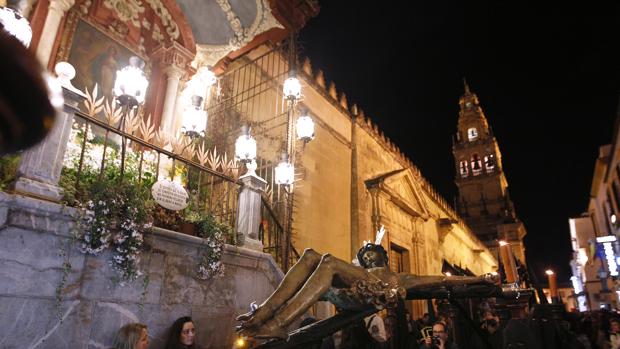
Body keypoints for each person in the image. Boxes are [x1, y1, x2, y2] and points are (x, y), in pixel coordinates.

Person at [236, 232, 499, 339]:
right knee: (309, 255)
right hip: (352, 292)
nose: (368, 252)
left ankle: (280, 322)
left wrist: (478, 278)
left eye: (372, 250)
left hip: (374, 292)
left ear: (384, 256)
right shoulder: (357, 272)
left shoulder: (400, 277)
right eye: (365, 252)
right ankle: (263, 313)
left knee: (326, 261)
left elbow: (442, 278)